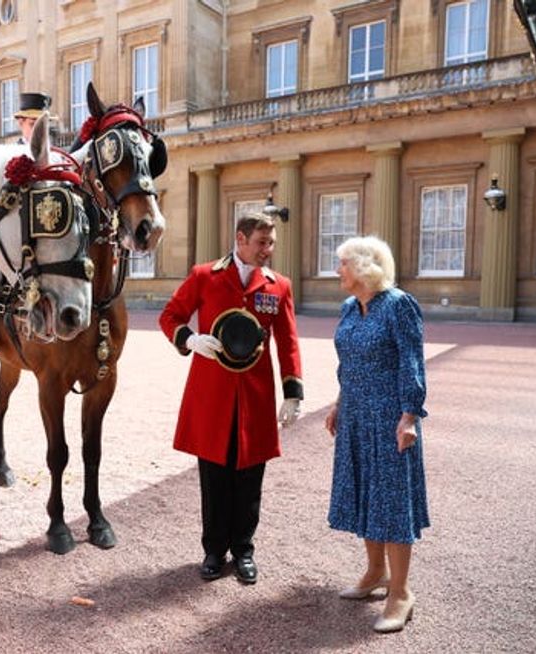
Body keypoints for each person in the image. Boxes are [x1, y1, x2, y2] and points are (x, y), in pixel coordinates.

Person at [159, 212, 303, 585]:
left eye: (271, 243)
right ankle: (213, 550)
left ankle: (244, 550)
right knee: (214, 475)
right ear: (240, 239)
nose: (268, 250)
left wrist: (293, 393)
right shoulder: (204, 275)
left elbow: (287, 341)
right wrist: (188, 339)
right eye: (261, 243)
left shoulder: (278, 285)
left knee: (250, 476)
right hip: (212, 393)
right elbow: (170, 316)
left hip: (254, 394)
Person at [323, 235, 429, 633]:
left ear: (366, 267)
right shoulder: (350, 307)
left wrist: (410, 417)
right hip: (354, 413)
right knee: (366, 493)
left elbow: (412, 363)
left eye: (343, 263)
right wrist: (338, 402)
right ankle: (374, 574)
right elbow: (347, 363)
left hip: (389, 417)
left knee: (392, 502)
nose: (338, 271)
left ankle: (401, 593)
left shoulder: (399, 305)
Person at [0, 91, 52, 359]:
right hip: (13, 234)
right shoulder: (9, 155)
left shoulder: (52, 156)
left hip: (42, 232)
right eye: (32, 124)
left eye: (42, 124)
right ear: (20, 122)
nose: (37, 129)